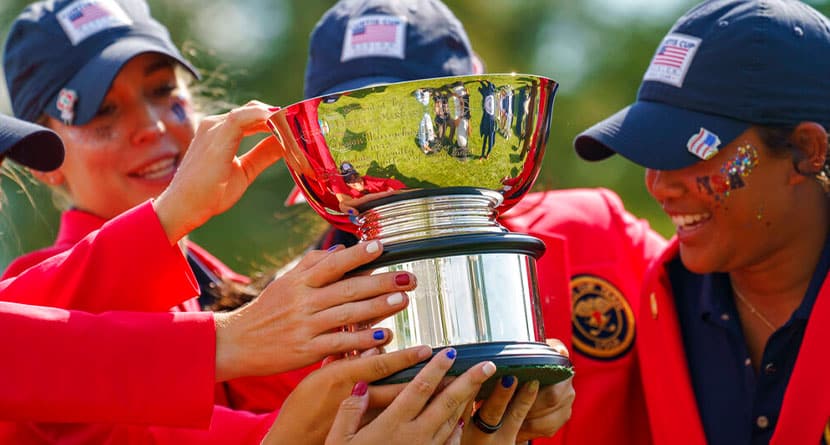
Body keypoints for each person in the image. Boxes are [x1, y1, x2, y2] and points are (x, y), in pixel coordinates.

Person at [298, 1, 671, 443]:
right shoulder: (293, 320)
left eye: (417, 119)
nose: (389, 158)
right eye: (358, 128)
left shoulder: (599, 232)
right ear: (316, 141)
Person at [573, 0, 830, 443]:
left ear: (806, 152)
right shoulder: (653, 302)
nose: (658, 185)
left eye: (693, 149)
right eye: (650, 149)